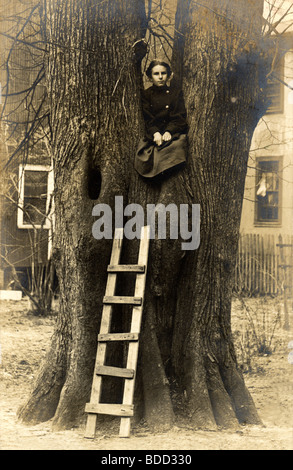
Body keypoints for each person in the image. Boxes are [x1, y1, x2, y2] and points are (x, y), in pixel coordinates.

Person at [134, 60, 188, 179]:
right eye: (156, 74)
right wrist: (156, 133)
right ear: (150, 77)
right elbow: (147, 118)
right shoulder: (146, 95)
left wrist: (169, 131)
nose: (160, 77)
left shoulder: (175, 94)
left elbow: (179, 117)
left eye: (163, 73)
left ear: (168, 75)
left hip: (172, 134)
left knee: (178, 147)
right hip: (154, 135)